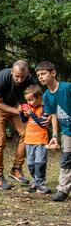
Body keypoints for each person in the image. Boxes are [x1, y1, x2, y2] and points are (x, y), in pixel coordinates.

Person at [0, 60, 38, 190]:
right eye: (16, 76)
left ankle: (16, 169)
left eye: (22, 77)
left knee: (27, 134)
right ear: (11, 72)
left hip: (13, 104)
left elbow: (35, 96)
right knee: (0, 140)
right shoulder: (2, 77)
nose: (20, 80)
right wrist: (17, 110)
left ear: (27, 73)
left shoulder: (29, 79)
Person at [36, 61, 70, 202]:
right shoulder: (46, 96)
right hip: (67, 132)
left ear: (53, 73)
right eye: (38, 75)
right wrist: (55, 136)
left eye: (43, 73)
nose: (41, 77)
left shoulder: (67, 88)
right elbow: (54, 116)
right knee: (66, 159)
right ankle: (63, 189)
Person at [18, 85, 51, 194]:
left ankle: (40, 184)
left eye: (31, 100)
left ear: (39, 98)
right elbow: (23, 120)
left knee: (40, 163)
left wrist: (32, 113)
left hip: (40, 140)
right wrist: (21, 112)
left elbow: (42, 124)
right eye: (27, 100)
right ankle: (35, 182)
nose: (29, 103)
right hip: (29, 140)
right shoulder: (29, 108)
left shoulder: (44, 108)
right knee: (31, 164)